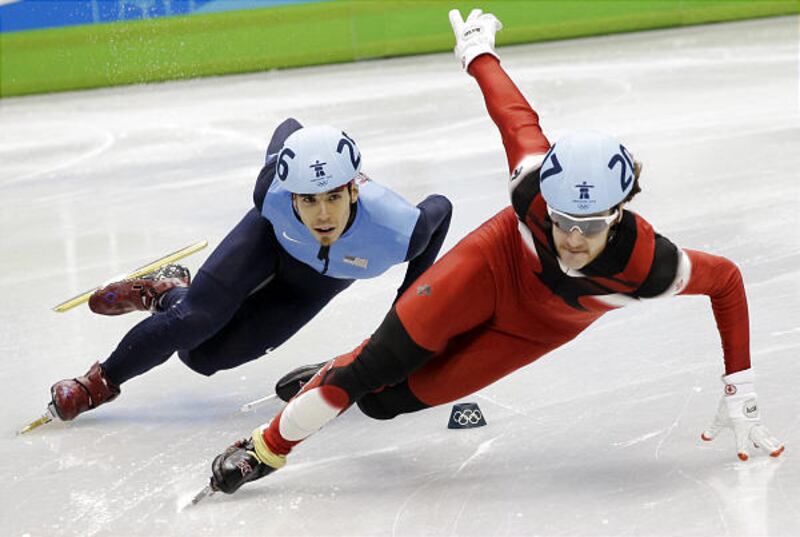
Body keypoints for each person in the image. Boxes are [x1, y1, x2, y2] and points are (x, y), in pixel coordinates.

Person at [206, 9, 784, 495]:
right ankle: (269, 447)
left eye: (590, 225)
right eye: (561, 221)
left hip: (534, 329)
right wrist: (477, 51)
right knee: (370, 372)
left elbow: (728, 280)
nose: (573, 239)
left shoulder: (653, 266)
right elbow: (513, 113)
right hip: (491, 265)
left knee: (385, 405)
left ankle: (345, 370)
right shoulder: (532, 184)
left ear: (621, 212)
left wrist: (741, 385)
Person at [46, 120, 453, 423]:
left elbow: (441, 207)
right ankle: (96, 385)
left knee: (203, 357)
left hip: (314, 285)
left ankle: (167, 292)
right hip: (267, 242)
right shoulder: (269, 194)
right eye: (308, 200)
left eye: (333, 197)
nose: (324, 214)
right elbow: (289, 128)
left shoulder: (398, 230)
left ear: (354, 189)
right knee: (195, 320)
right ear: (290, 194)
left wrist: (407, 298)